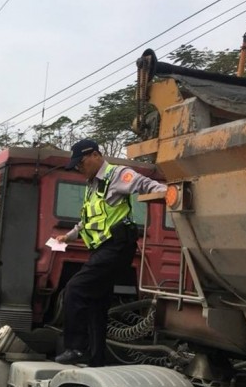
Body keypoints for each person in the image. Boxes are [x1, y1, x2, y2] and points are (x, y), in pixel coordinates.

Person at [54, 139, 166, 367]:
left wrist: (171, 193)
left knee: (74, 290)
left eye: (81, 163)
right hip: (101, 250)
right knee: (96, 302)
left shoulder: (116, 175)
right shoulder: (92, 186)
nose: (78, 168)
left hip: (117, 247)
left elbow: (144, 184)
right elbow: (87, 221)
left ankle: (75, 348)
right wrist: (69, 236)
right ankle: (96, 359)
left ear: (95, 155)